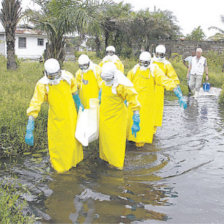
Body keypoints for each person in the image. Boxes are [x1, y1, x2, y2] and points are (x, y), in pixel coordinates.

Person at [25, 58, 84, 173]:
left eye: (57, 75)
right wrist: (30, 126)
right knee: (58, 145)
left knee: (74, 141)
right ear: (46, 74)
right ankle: (60, 169)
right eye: (52, 76)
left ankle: (74, 163)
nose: (55, 79)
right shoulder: (42, 84)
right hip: (56, 118)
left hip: (71, 116)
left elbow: (74, 91)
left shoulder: (68, 77)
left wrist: (79, 104)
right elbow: (35, 103)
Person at [127, 51, 187, 148]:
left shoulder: (154, 70)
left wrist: (177, 92)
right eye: (142, 62)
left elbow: (165, 80)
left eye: (146, 63)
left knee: (144, 126)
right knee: (131, 123)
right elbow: (126, 84)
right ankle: (132, 142)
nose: (144, 65)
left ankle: (140, 147)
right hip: (134, 102)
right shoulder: (134, 70)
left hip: (148, 103)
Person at [99, 62, 141, 170]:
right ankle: (107, 160)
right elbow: (102, 89)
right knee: (105, 142)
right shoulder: (104, 82)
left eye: (108, 80)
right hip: (105, 118)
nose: (106, 82)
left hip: (117, 119)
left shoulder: (122, 85)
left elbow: (134, 101)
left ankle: (116, 166)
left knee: (115, 143)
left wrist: (136, 119)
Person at [153, 45, 186, 133]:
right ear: (155, 53)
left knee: (156, 113)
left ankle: (152, 134)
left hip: (159, 91)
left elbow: (174, 79)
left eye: (161, 55)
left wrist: (180, 95)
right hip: (148, 90)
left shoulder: (166, 64)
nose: (159, 56)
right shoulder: (149, 62)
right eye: (158, 54)